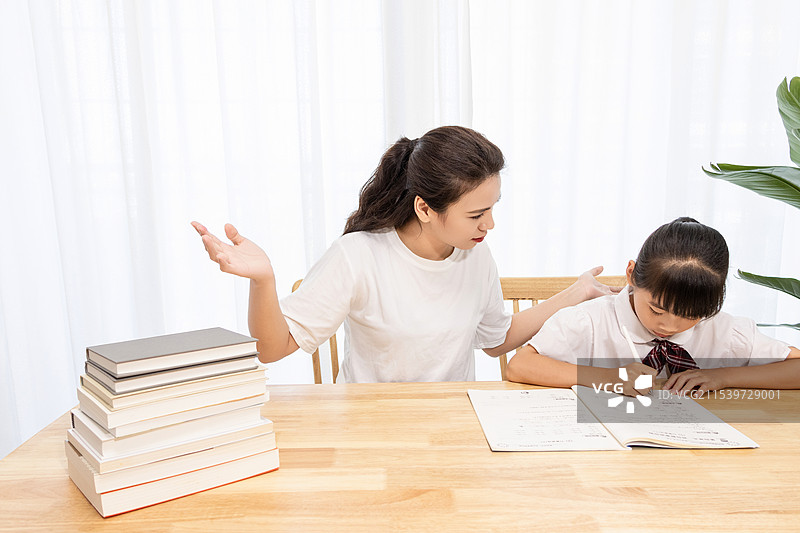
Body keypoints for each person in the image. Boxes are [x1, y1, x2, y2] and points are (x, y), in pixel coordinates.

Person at [193, 125, 617, 383]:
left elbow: (494, 341)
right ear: (425, 208)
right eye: (476, 214)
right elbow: (272, 348)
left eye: (493, 208)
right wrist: (263, 278)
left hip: (453, 423)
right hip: (371, 425)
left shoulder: (475, 256)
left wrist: (574, 292)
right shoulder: (358, 256)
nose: (489, 225)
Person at [506, 217, 800, 396]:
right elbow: (520, 366)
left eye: (690, 316)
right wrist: (611, 378)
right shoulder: (592, 321)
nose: (669, 326)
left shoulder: (723, 330)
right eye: (657, 310)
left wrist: (723, 376)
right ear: (631, 274)